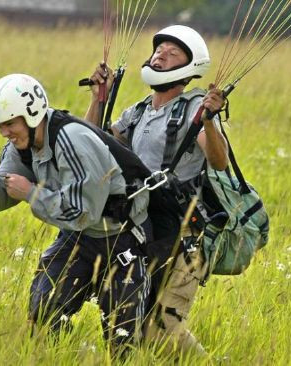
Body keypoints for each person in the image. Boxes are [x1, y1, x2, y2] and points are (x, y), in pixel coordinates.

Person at [0, 73, 153, 349]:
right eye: (0, 126)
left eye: (10, 123)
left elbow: (83, 213)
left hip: (122, 239)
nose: (5, 133)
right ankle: (63, 355)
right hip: (78, 237)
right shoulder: (20, 147)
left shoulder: (73, 139)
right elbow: (0, 198)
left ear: (32, 114)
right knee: (43, 310)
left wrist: (31, 193)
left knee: (122, 338)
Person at [84, 25, 229, 355]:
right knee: (135, 319)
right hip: (140, 227)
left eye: (173, 52)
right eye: (159, 50)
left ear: (188, 67)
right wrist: (98, 99)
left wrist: (208, 120)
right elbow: (89, 145)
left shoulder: (194, 108)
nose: (161, 54)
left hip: (179, 234)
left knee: (162, 327)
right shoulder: (137, 111)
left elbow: (218, 162)